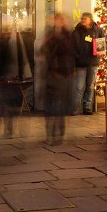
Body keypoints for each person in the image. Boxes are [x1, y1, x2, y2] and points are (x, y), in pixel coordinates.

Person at [42, 13, 76, 145]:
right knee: (50, 107)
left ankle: (58, 136)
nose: (56, 22)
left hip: (62, 75)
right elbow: (44, 52)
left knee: (58, 107)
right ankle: (49, 135)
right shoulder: (50, 35)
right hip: (52, 74)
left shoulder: (67, 36)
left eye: (59, 20)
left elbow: (70, 52)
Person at [72, 12, 104, 115]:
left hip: (93, 63)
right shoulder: (76, 31)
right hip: (80, 63)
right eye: (82, 19)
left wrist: (100, 52)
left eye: (84, 19)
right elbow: (72, 46)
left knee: (90, 86)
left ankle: (87, 107)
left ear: (90, 20)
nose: (82, 20)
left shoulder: (98, 30)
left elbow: (101, 45)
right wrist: (76, 56)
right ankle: (75, 108)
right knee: (79, 87)